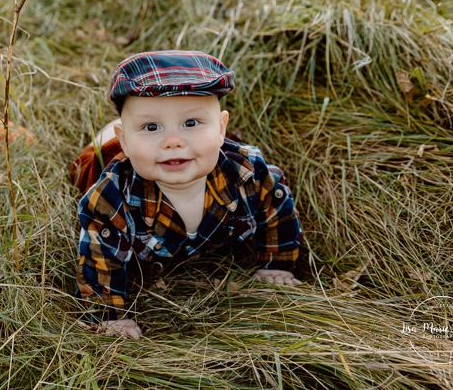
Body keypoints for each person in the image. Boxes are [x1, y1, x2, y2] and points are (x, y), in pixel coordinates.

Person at [70, 50, 303, 339]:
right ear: (126, 140)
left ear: (221, 128)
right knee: (91, 161)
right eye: (151, 126)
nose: (173, 141)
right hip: (117, 160)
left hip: (210, 158)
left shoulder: (248, 174)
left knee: (220, 155)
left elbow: (277, 208)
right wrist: (109, 315)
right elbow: (100, 255)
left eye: (191, 123)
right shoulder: (112, 197)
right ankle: (110, 137)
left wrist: (276, 264)